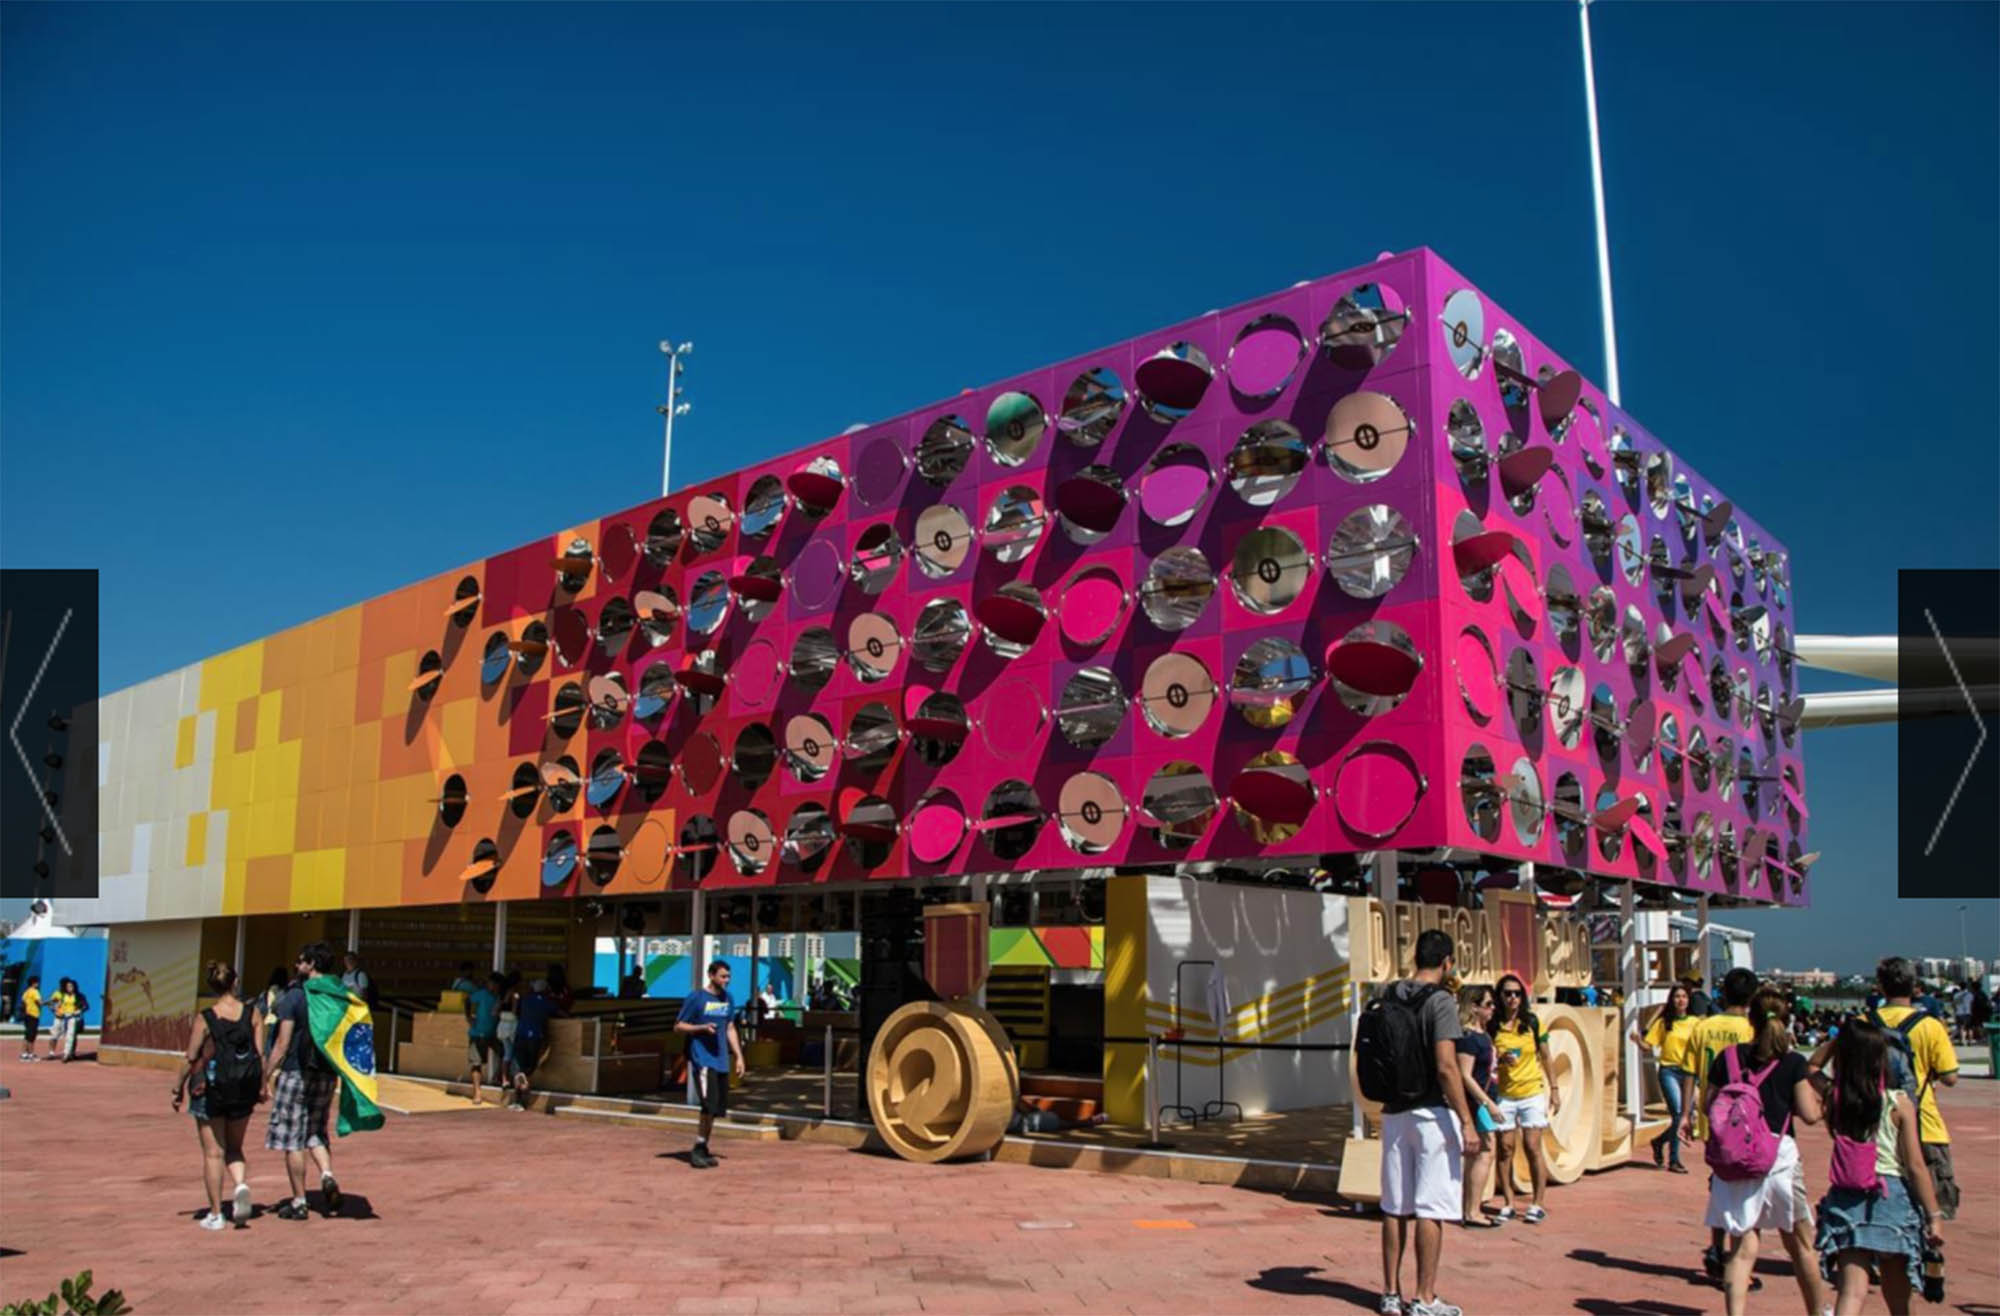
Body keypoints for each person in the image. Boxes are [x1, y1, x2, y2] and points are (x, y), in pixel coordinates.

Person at [1703, 988, 1826, 1316]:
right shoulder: (1792, 1063)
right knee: (1800, 1245)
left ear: (1750, 1020)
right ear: (1785, 1021)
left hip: (1736, 1159)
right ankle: (1818, 1311)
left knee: (1742, 1248)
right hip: (1779, 1159)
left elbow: (1708, 1106)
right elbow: (1810, 1115)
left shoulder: (1728, 1058)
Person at [1375, 930, 1479, 1316]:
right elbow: (1447, 1066)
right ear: (1447, 962)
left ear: (1415, 957)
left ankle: (1389, 1292)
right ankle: (1424, 1297)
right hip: (1431, 1112)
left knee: (1394, 1206)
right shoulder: (1441, 1002)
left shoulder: (1388, 994)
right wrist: (1466, 1121)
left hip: (1393, 1111)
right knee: (1431, 1207)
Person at [1811, 1019, 1945, 1316]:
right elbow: (1914, 1166)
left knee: (1851, 1293)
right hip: (1891, 1197)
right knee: (1899, 1299)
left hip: (1847, 1195)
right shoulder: (1899, 1104)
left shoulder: (1837, 1099)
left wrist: (1837, 1043)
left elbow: (1810, 1069)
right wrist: (1933, 1214)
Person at [1867, 957, 1960, 1221]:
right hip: (1923, 1121)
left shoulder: (1865, 1022)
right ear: (1914, 985)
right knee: (1934, 1207)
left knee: (1879, 1208)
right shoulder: (1930, 1026)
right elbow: (1950, 1077)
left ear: (1880, 987)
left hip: (1876, 1124)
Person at [172, 962, 262, 1230]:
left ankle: (215, 1213)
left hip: (211, 1091)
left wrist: (177, 1088)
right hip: (243, 1090)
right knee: (234, 1148)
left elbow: (191, 1057)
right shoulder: (253, 1014)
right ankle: (240, 1184)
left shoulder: (206, 1018)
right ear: (235, 982)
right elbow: (260, 1055)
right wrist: (263, 1086)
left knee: (213, 1153)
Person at [1685, 966, 1760, 1283]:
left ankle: (1716, 1246)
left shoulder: (1703, 1027)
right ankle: (1739, 1258)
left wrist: (1687, 1112)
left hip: (1713, 1114)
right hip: (1747, 1118)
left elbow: (1690, 1070)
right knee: (1749, 1188)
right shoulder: (1752, 1030)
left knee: (1720, 1181)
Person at [262, 942, 345, 1220]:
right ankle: (327, 1175)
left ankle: (299, 1201)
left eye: (300, 961)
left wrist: (265, 1075)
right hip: (326, 1073)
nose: (297, 966)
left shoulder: (295, 997)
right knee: (317, 1131)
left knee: (292, 1139)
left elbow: (282, 1043)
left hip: (297, 1073)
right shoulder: (338, 996)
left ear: (311, 964)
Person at [1488, 972, 1560, 1224]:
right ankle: (1508, 1201)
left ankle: (1538, 1202)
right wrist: (1499, 1059)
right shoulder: (1492, 1025)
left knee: (1532, 1147)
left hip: (1531, 1091)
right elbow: (1486, 1058)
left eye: (1517, 993)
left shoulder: (1532, 1022)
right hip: (1504, 1094)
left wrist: (1555, 1088)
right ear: (1500, 996)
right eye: (1507, 993)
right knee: (1505, 1149)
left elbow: (1546, 1056)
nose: (1512, 998)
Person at [675, 961, 746, 1170]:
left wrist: (739, 1056)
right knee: (708, 1104)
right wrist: (701, 1028)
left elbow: (730, 1027)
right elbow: (678, 1025)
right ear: (711, 975)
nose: (726, 980)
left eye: (728, 976)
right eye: (723, 976)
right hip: (703, 1059)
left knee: (715, 1108)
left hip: (721, 1059)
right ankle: (698, 1147)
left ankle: (703, 1145)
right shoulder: (696, 998)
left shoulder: (728, 999)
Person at [1453, 985, 1506, 1229]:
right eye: (1488, 1004)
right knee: (1484, 1152)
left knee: (1483, 1153)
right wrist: (1488, 1103)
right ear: (1473, 1007)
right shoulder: (1468, 1037)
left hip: (1485, 1097)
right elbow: (1465, 1075)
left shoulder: (1481, 1034)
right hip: (1478, 1102)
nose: (1493, 1008)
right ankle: (1472, 1210)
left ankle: (1470, 1208)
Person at [1632, 983, 1698, 1173]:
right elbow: (1648, 1045)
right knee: (1678, 1113)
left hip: (1689, 1073)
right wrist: (1638, 1040)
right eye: (1677, 996)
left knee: (1686, 1117)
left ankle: (1659, 1140)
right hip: (1669, 1070)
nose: (1681, 1000)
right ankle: (1674, 1160)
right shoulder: (1664, 1023)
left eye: (1684, 996)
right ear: (1672, 1000)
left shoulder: (1695, 1023)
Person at [507, 978, 560, 1111]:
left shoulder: (525, 999)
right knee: (530, 1066)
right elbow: (559, 1012)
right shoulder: (547, 1003)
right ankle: (524, 1084)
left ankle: (518, 1099)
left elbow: (516, 1012)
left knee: (518, 1066)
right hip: (535, 1037)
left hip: (521, 1035)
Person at [462, 971, 503, 1104]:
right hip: (477, 1033)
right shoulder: (482, 994)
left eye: (497, 985)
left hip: (492, 1034)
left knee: (504, 1053)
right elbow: (467, 1000)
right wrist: (468, 1016)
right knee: (476, 1063)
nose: (494, 987)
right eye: (493, 984)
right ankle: (477, 1092)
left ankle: (498, 1076)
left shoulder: (499, 997)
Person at [46, 977, 85, 1062]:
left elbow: (82, 1005)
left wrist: (78, 1011)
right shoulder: (59, 993)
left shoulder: (74, 995)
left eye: (68, 985)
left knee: (70, 1036)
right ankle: (51, 1052)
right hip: (59, 1017)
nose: (66, 987)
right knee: (54, 1035)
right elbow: (51, 1002)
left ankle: (68, 1053)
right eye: (65, 985)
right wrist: (53, 1009)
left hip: (69, 1018)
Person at [257, 966, 291, 1057]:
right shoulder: (285, 993)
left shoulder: (266, 992)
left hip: (267, 1021)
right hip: (279, 1021)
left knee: (267, 1046)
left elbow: (260, 1009)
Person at [17, 975, 42, 1061]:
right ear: (33, 983)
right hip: (33, 1015)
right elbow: (39, 1003)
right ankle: (31, 1054)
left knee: (27, 1035)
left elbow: (23, 1003)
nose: (38, 984)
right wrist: (50, 1002)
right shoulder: (35, 992)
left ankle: (24, 1054)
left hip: (27, 1015)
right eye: (37, 982)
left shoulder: (26, 992)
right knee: (32, 1036)